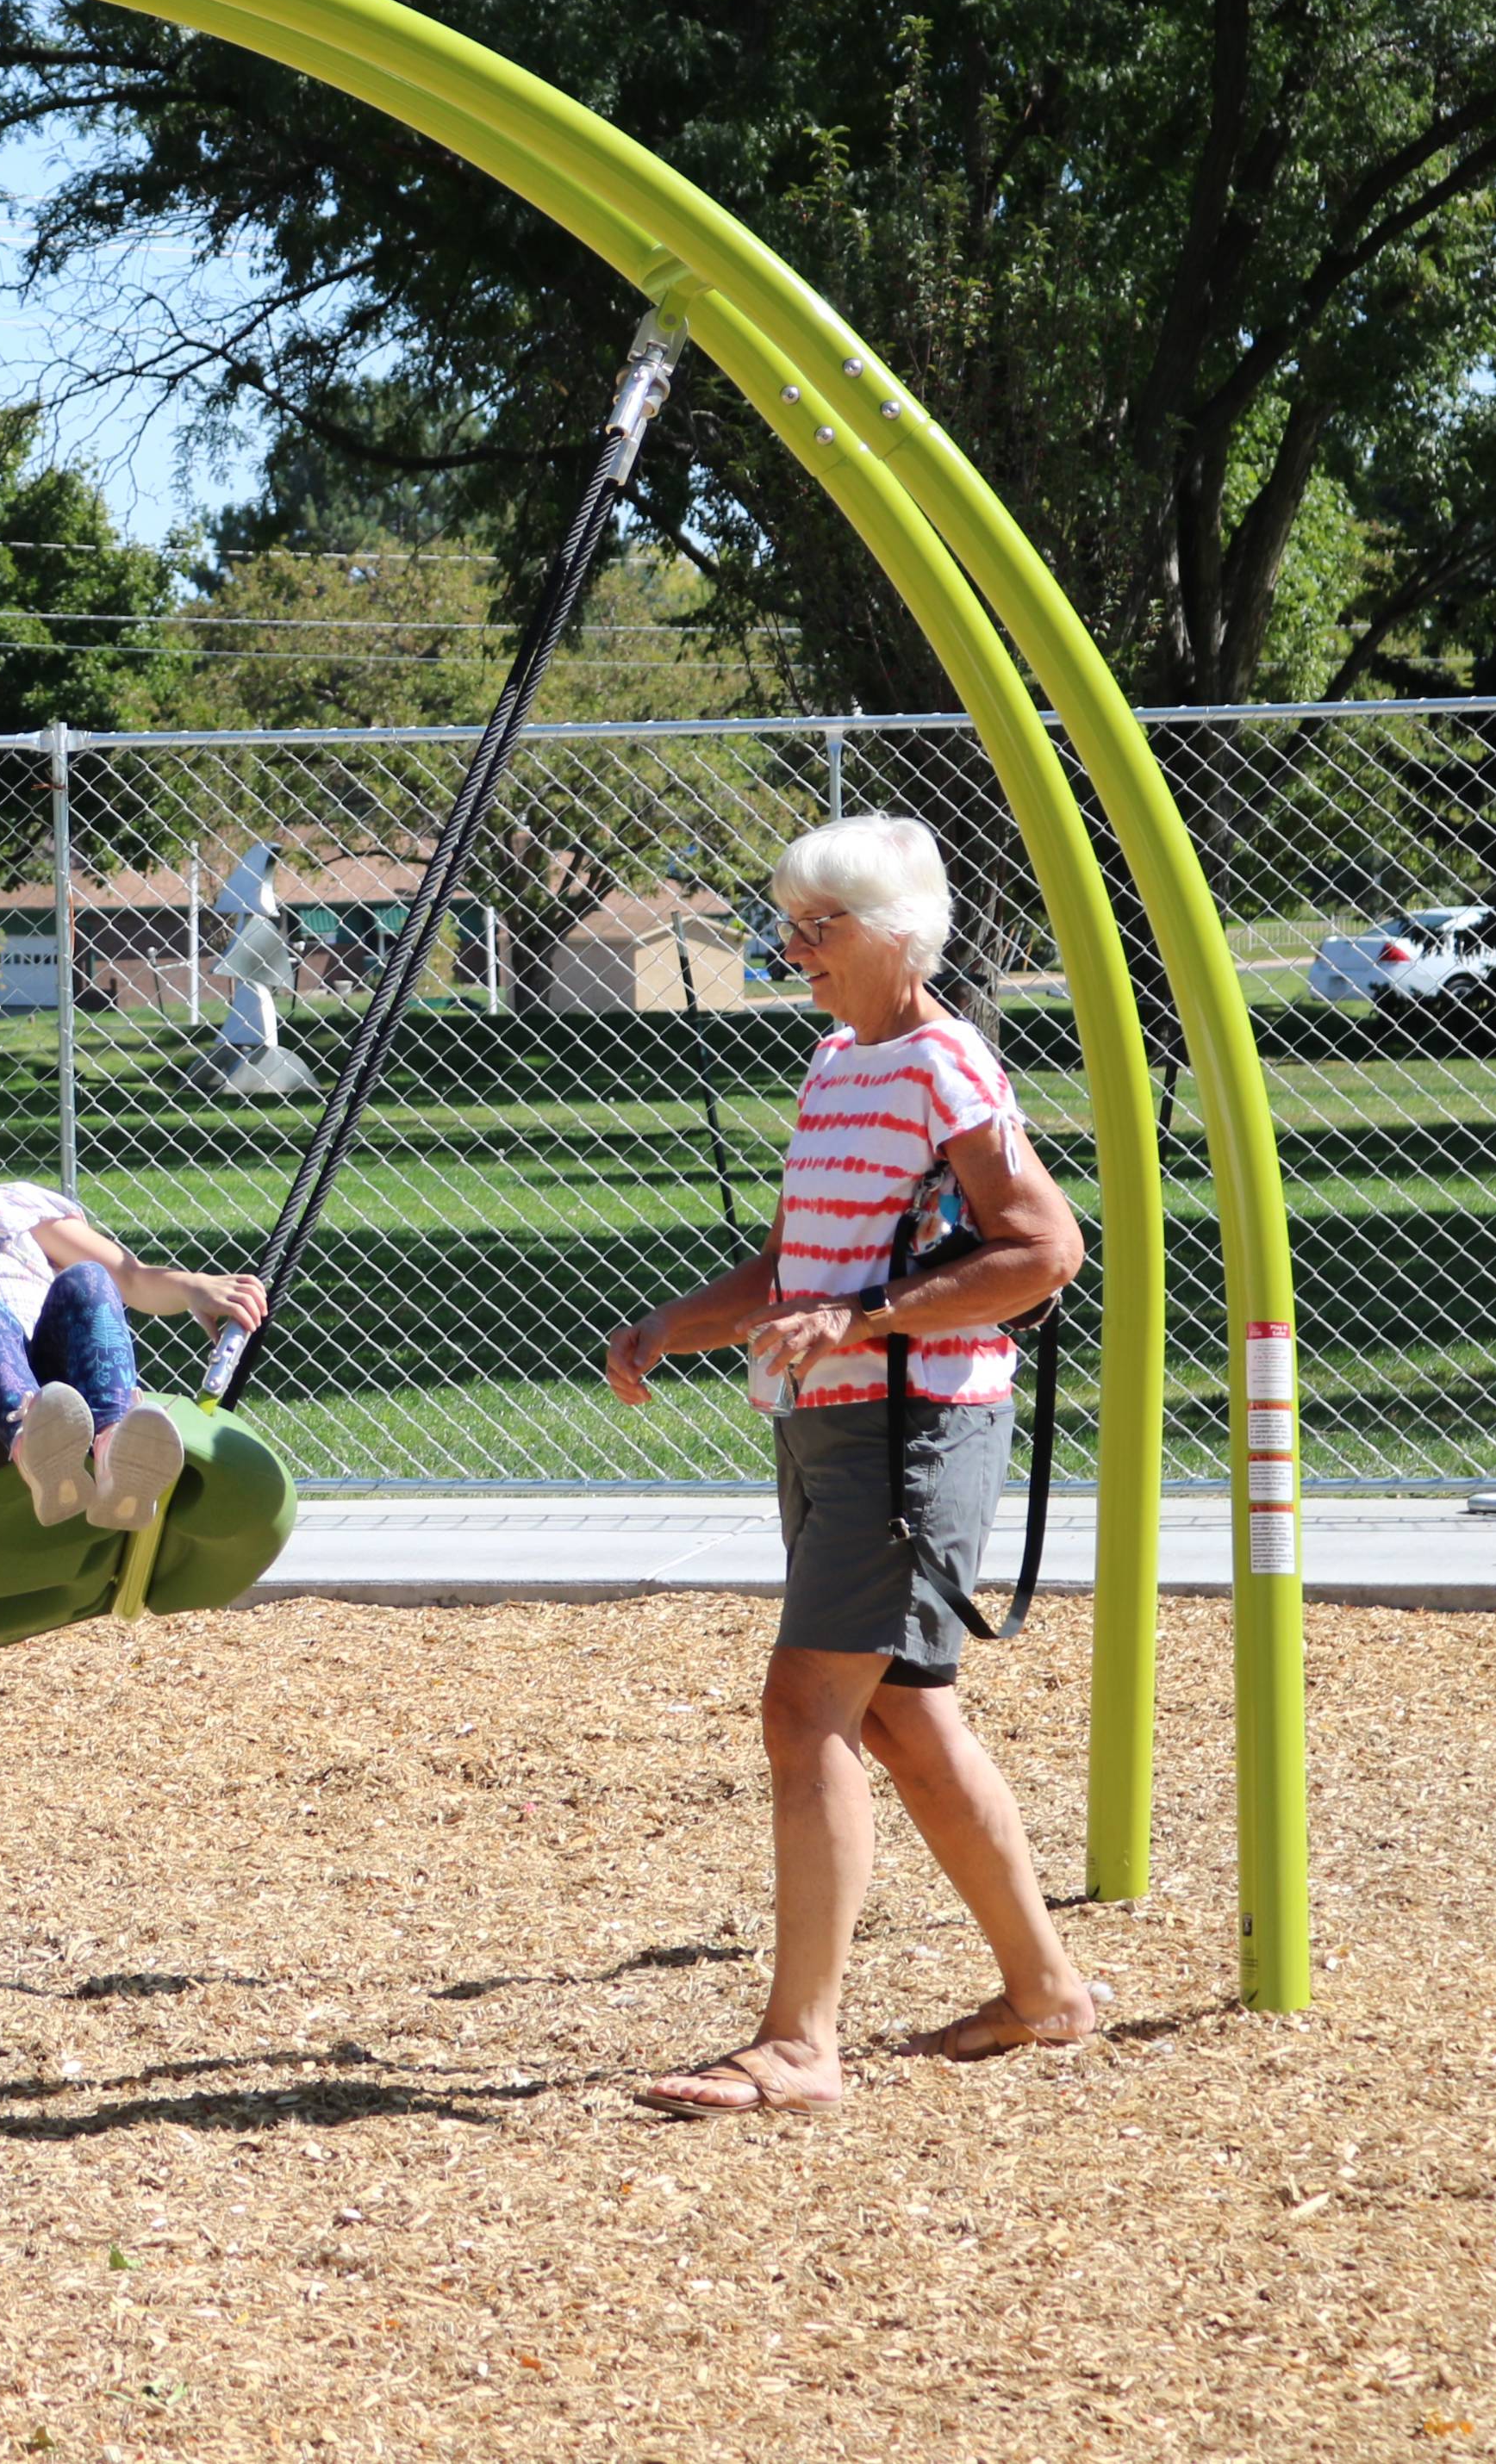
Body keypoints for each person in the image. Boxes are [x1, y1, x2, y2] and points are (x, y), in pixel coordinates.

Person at [601, 817, 1101, 2116]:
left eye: (817, 928)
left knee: (805, 1708)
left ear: (894, 937)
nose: (792, 947)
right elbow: (796, 1266)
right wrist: (675, 1322)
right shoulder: (837, 1061)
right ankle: (1046, 1993)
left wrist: (867, 1320)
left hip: (910, 1422)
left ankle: (799, 2043)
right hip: (829, 1419)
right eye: (790, 924)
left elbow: (1044, 1251)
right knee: (896, 1712)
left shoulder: (947, 1064)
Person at [0, 1086, 269, 1529]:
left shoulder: (10, 1215)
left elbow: (130, 1277)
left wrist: (194, 1287)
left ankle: (116, 1448)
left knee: (88, 1277)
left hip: (60, 1388)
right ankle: (38, 1450)